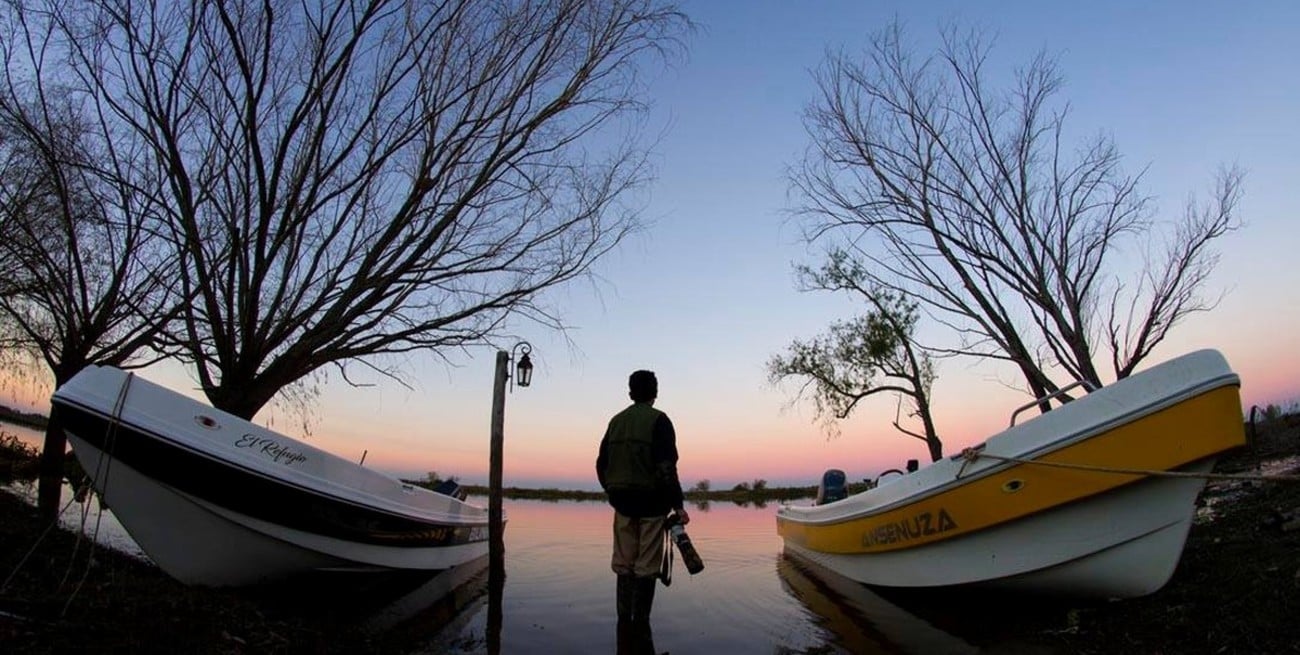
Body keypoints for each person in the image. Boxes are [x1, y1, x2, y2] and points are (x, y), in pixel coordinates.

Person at [596, 369, 689, 630]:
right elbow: (666, 468)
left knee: (623, 564)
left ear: (630, 393)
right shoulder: (660, 421)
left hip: (622, 504)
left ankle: (623, 625)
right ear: (655, 393)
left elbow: (601, 463)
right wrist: (678, 506)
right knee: (646, 566)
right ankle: (640, 626)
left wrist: (611, 492)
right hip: (651, 505)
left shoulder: (616, 421)